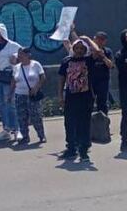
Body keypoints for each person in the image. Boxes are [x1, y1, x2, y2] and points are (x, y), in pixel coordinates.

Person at [58, 34, 104, 164]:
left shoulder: (88, 61)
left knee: (84, 124)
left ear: (84, 50)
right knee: (69, 123)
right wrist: (60, 95)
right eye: (76, 48)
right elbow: (61, 79)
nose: (78, 50)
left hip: (86, 97)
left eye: (81, 48)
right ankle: (71, 148)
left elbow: (98, 52)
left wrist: (88, 40)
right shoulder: (66, 61)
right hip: (71, 97)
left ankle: (83, 151)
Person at [11, 47, 47, 145]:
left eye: (22, 54)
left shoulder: (35, 64)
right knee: (22, 117)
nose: (20, 56)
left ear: (28, 55)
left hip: (32, 95)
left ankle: (41, 135)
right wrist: (10, 94)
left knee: (36, 116)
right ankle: (25, 137)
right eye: (19, 54)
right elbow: (13, 81)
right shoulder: (16, 67)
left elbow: (42, 77)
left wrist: (36, 88)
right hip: (20, 95)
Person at [90, 31, 115, 115]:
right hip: (90, 81)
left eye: (102, 40)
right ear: (94, 39)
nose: (99, 41)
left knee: (103, 103)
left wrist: (103, 56)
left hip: (103, 81)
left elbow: (111, 65)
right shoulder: (87, 51)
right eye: (98, 39)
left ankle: (103, 123)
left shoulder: (107, 51)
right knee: (88, 103)